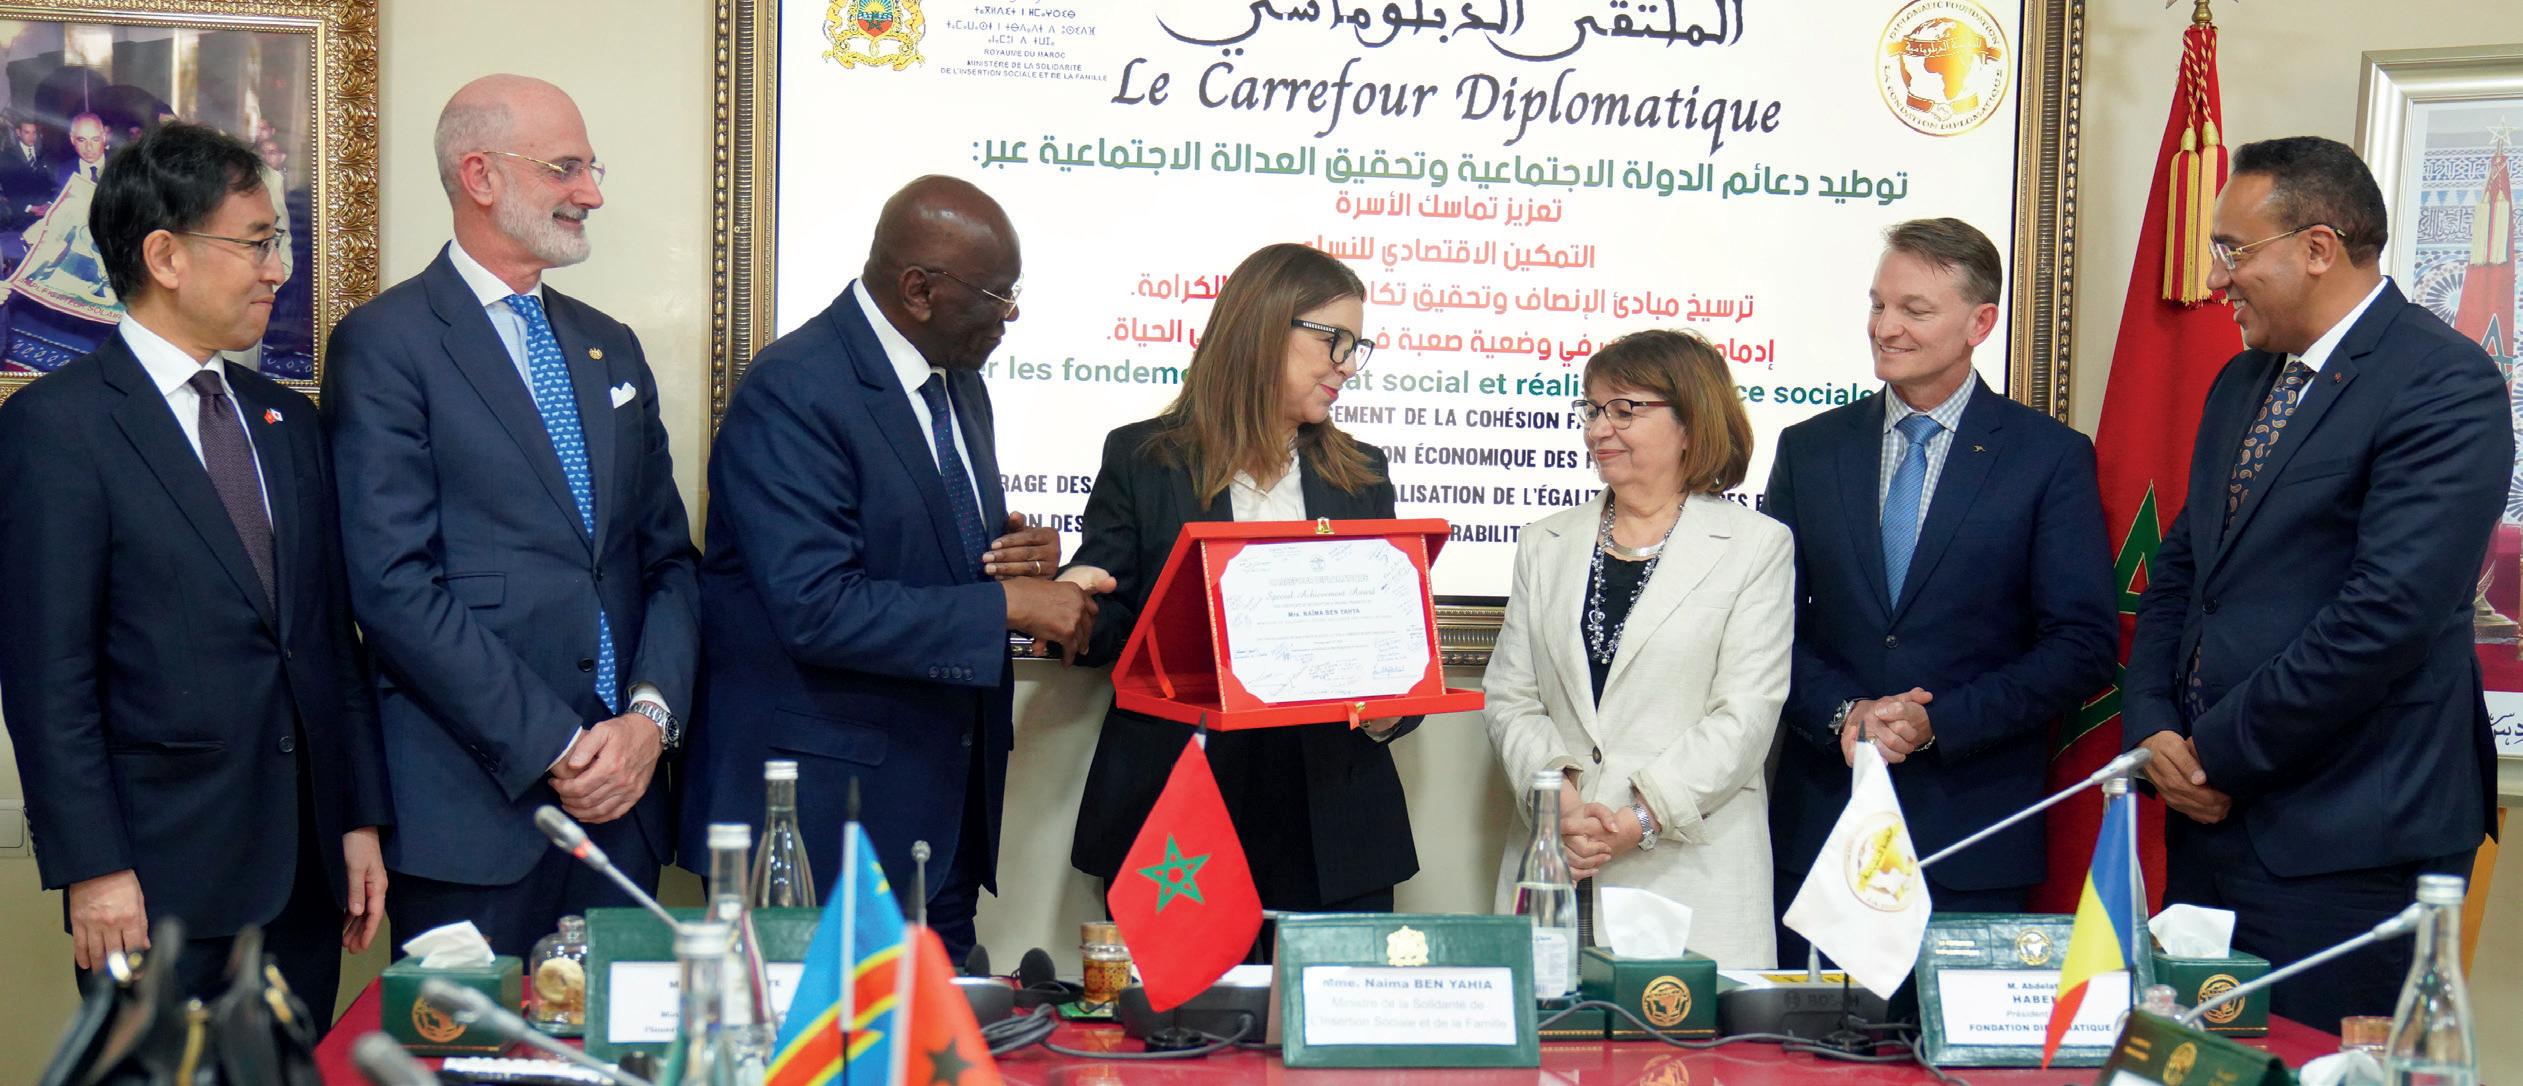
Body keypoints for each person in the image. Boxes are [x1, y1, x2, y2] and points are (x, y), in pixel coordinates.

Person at [0, 122, 388, 1018]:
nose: (276, 269)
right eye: (255, 243)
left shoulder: (286, 421)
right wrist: (94, 868)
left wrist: (356, 817)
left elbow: (330, 643)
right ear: (166, 256)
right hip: (157, 879)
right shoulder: (57, 430)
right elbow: (48, 678)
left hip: (305, 874)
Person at [2123, 136, 2508, 1028]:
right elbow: (2182, 571)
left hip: (2349, 845)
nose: (2214, 278)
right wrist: (2153, 729)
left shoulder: (2444, 384)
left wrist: (2213, 754)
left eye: (2231, 249)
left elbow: (2384, 617)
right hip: (2207, 827)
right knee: (2190, 1068)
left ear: (2318, 248)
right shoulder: (2240, 382)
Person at [324, 74, 699, 959]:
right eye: (565, 168)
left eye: (591, 169)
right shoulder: (387, 344)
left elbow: (668, 562)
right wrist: (558, 745)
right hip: (473, 816)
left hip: (625, 812)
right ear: (481, 175)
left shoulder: (609, 344)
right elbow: (392, 586)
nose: (590, 193)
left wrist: (648, 723)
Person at [687, 175, 1095, 962]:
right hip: (819, 831)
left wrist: (1018, 558)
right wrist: (1008, 607)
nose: (1010, 316)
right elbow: (816, 606)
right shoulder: (794, 389)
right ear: (918, 290)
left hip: (936, 820)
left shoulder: (959, 385)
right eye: (997, 296)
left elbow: (927, 549)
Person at [1764, 217, 2116, 962]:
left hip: (1970, 834)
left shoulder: (2048, 458)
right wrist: (1844, 712)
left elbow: (2080, 645)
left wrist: (1937, 722)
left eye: (1913, 310)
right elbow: (1764, 628)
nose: (1883, 327)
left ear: (1979, 323)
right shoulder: (1809, 449)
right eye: (1877, 304)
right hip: (1821, 827)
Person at [1060, 242, 1418, 933]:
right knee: (1178, 1006)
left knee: (1327, 1005)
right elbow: (1115, 627)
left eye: (1356, 346)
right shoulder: (1142, 459)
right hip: (1178, 809)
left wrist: (1391, 709)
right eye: (1334, 341)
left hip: (1329, 815)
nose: (1347, 364)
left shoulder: (1363, 475)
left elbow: (1394, 644)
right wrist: (1073, 602)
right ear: (1262, 328)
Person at [1484, 329, 1791, 968]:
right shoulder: (1545, 541)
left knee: (1682, 1036)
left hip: (1688, 872)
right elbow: (1511, 696)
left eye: (1625, 410)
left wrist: (1636, 821)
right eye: (1593, 408)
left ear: (1691, 424)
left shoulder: (1756, 546)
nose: (1600, 429)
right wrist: (1561, 804)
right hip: (1557, 864)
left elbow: (1745, 717)